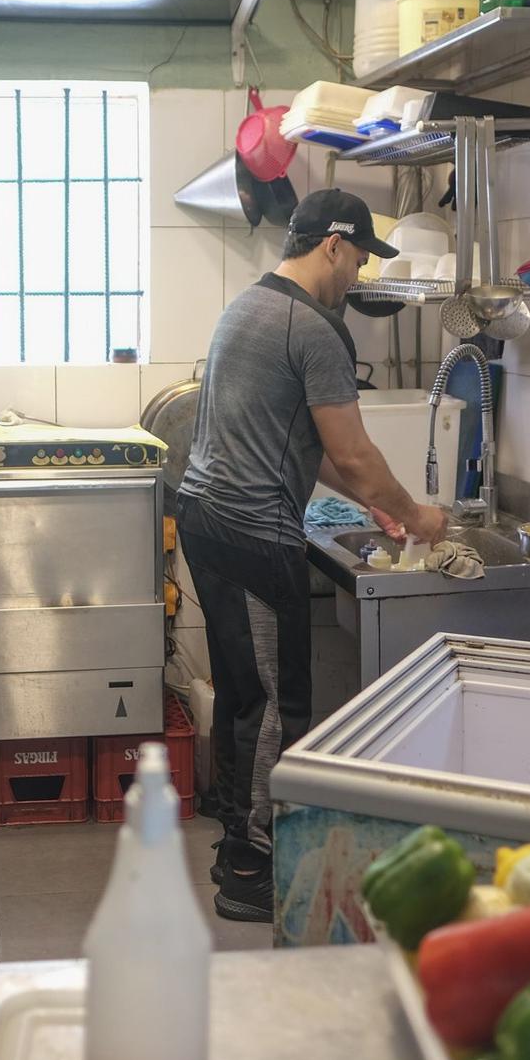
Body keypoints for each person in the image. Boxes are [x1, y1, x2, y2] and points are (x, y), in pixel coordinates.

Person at [175, 188, 452, 922]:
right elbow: (356, 453)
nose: (360, 274)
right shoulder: (317, 330)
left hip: (205, 521)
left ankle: (234, 837)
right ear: (333, 243)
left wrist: (370, 503)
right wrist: (416, 514)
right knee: (274, 704)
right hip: (251, 533)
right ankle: (253, 870)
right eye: (360, 256)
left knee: (241, 693)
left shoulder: (248, 307)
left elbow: (302, 442)